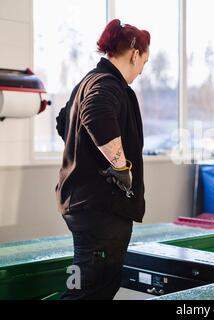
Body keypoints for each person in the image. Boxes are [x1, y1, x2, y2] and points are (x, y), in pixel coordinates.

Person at [55, 19, 150, 299]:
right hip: (101, 209)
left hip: (85, 205)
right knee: (89, 291)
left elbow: (64, 123)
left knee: (91, 286)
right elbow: (96, 115)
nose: (143, 69)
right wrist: (120, 167)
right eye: (145, 60)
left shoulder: (87, 81)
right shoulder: (108, 85)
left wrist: (85, 152)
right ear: (134, 55)